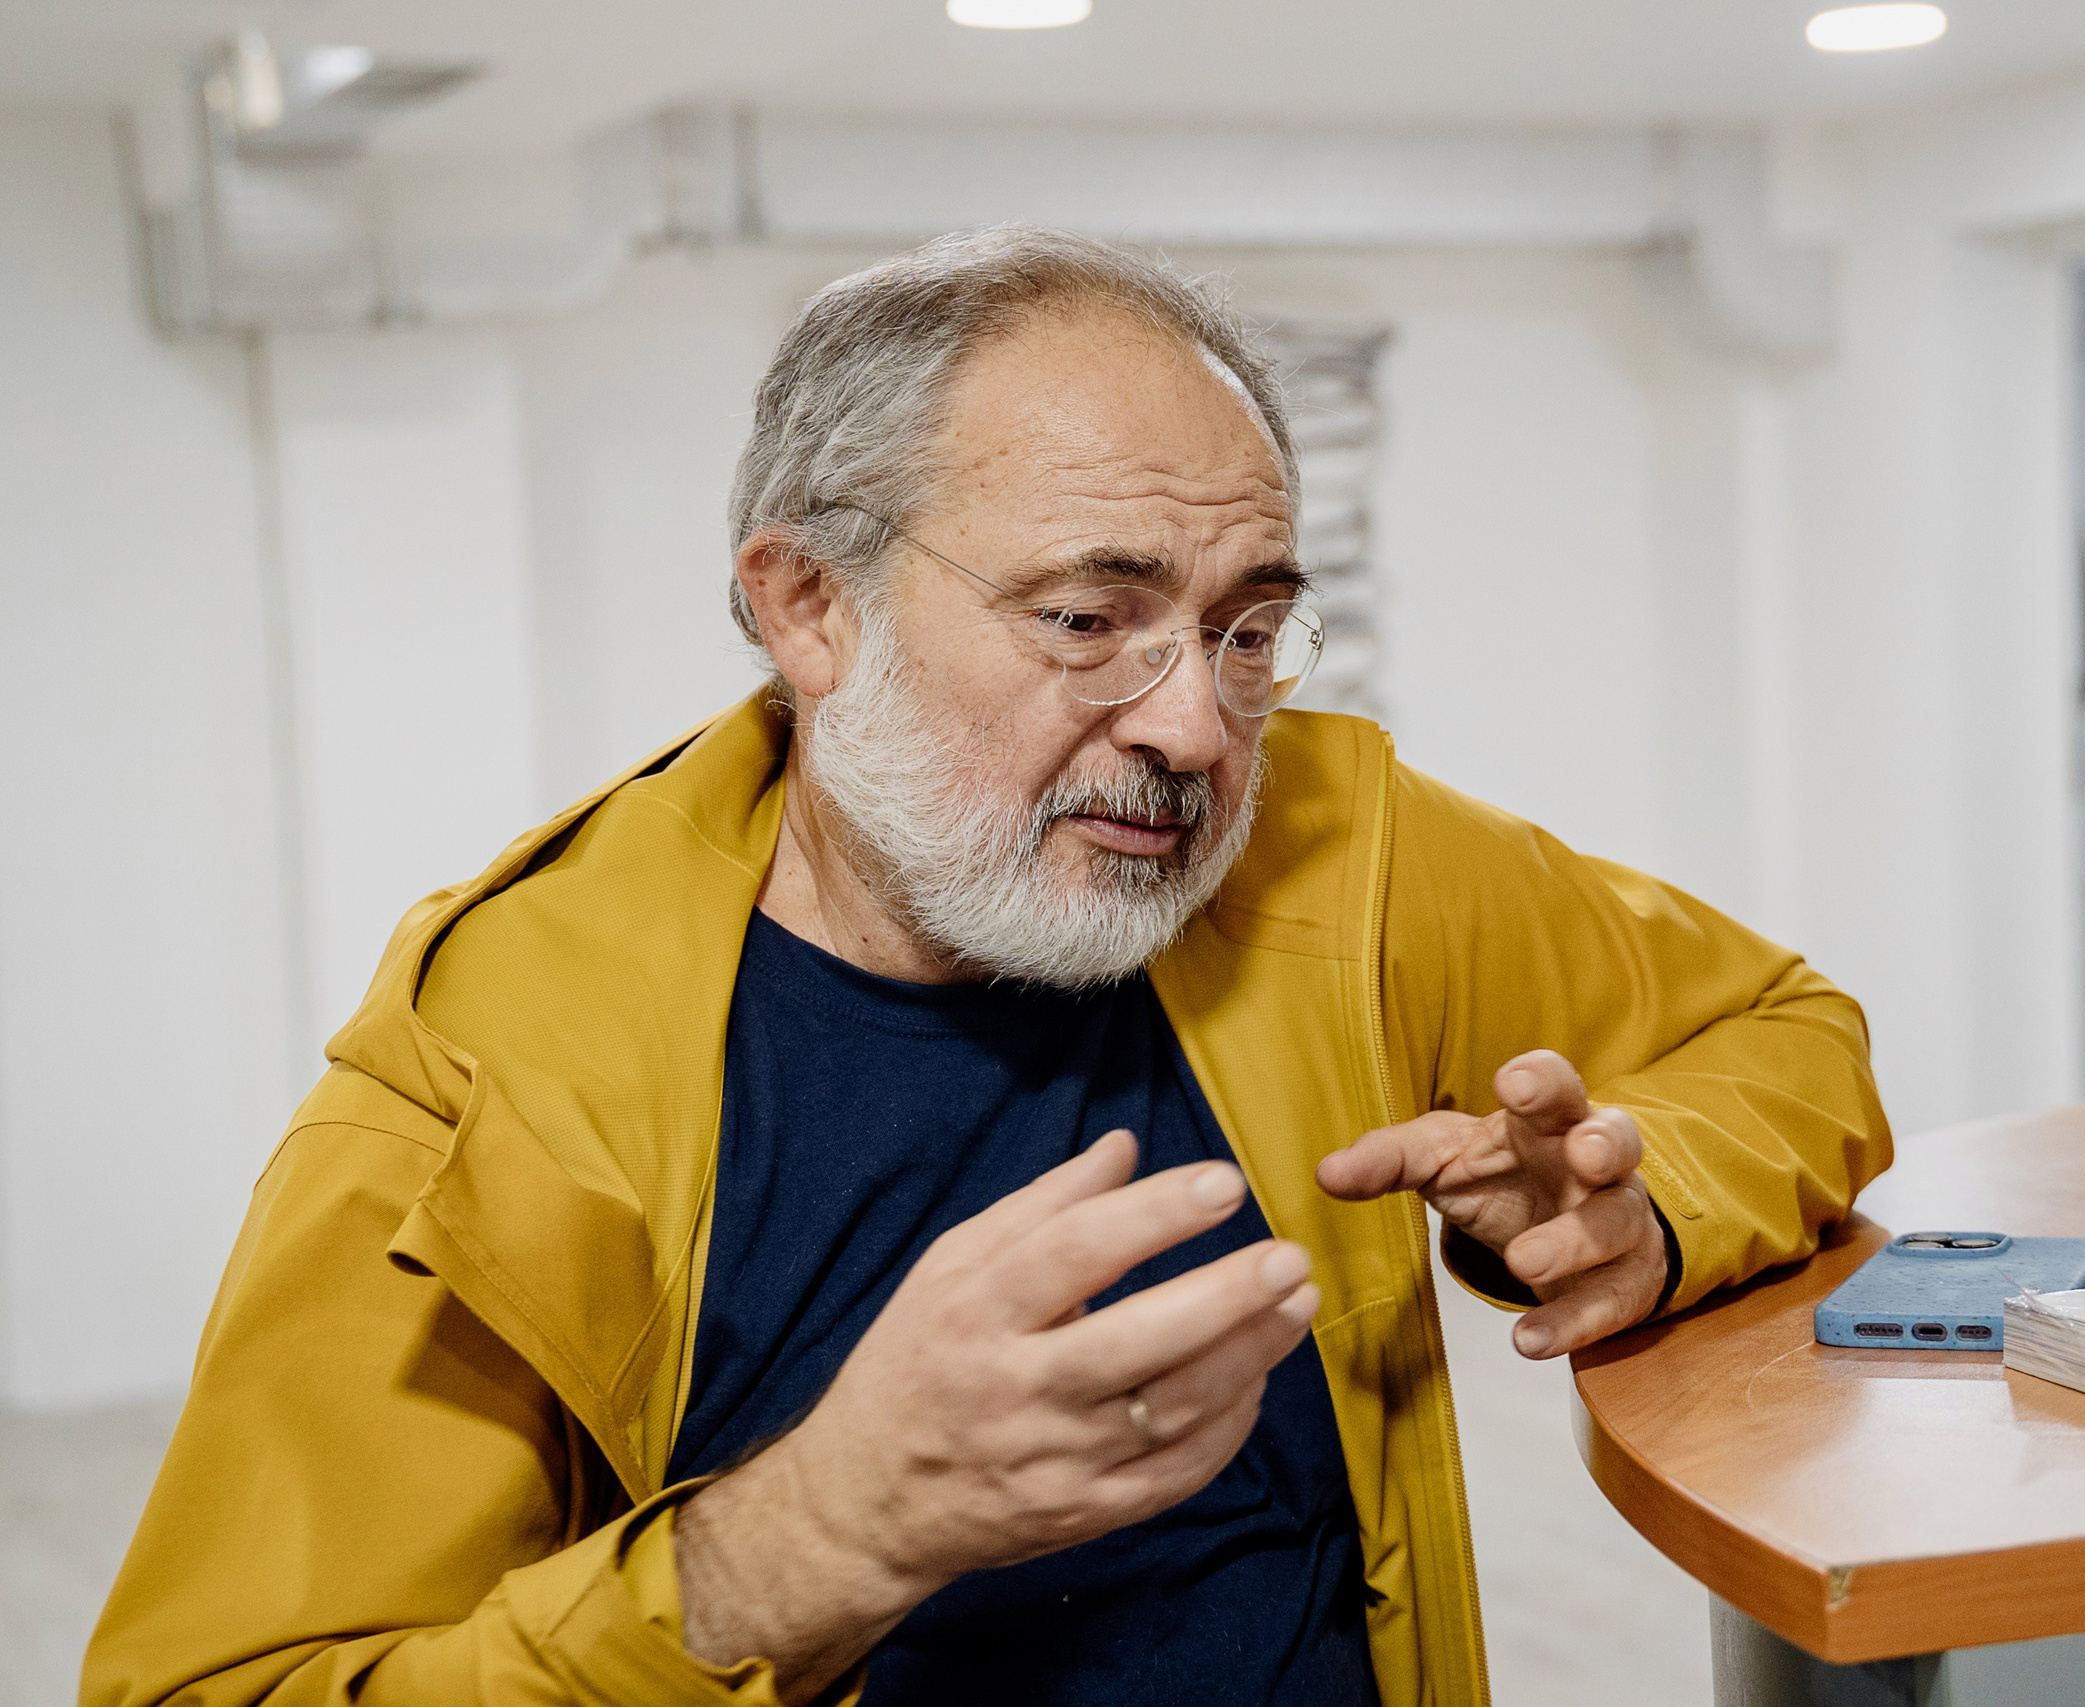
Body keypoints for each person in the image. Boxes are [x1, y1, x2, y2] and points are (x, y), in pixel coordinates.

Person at [86, 228, 1890, 1707]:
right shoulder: (486, 1083)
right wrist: (815, 1539)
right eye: (1089, 619)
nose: (1196, 726)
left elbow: (1782, 1028)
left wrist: (1643, 1207)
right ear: (810, 607)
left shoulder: (1336, 849)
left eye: (1246, 628)